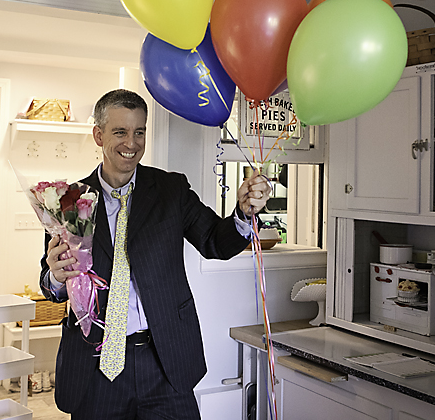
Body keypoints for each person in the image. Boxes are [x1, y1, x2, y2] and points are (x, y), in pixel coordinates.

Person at [40, 89, 271, 419]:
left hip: (165, 361)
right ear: (98, 135)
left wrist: (244, 213)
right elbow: (51, 285)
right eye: (120, 132)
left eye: (139, 132)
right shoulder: (68, 201)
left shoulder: (171, 190)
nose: (131, 143)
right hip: (96, 366)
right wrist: (55, 276)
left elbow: (215, 242)